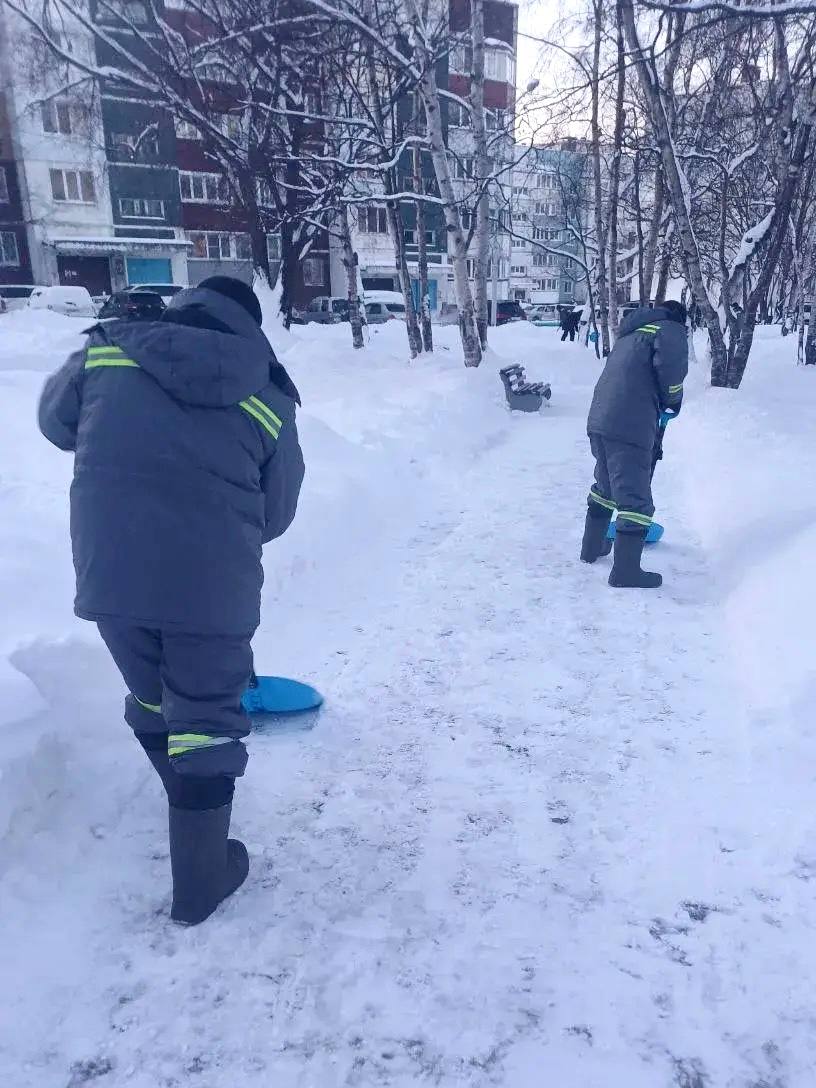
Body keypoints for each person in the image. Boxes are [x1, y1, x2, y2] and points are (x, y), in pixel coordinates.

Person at [38, 276, 304, 924]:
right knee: (206, 722)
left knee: (154, 697)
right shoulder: (267, 391)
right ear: (250, 325)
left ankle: (187, 805)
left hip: (112, 576)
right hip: (212, 590)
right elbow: (276, 512)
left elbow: (55, 423)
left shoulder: (109, 351)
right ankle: (202, 879)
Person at [579, 300, 688, 588]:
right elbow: (671, 371)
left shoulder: (632, 332)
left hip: (601, 417)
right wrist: (673, 400)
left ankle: (591, 548)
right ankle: (625, 572)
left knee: (605, 485)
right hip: (630, 422)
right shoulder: (670, 329)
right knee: (635, 497)